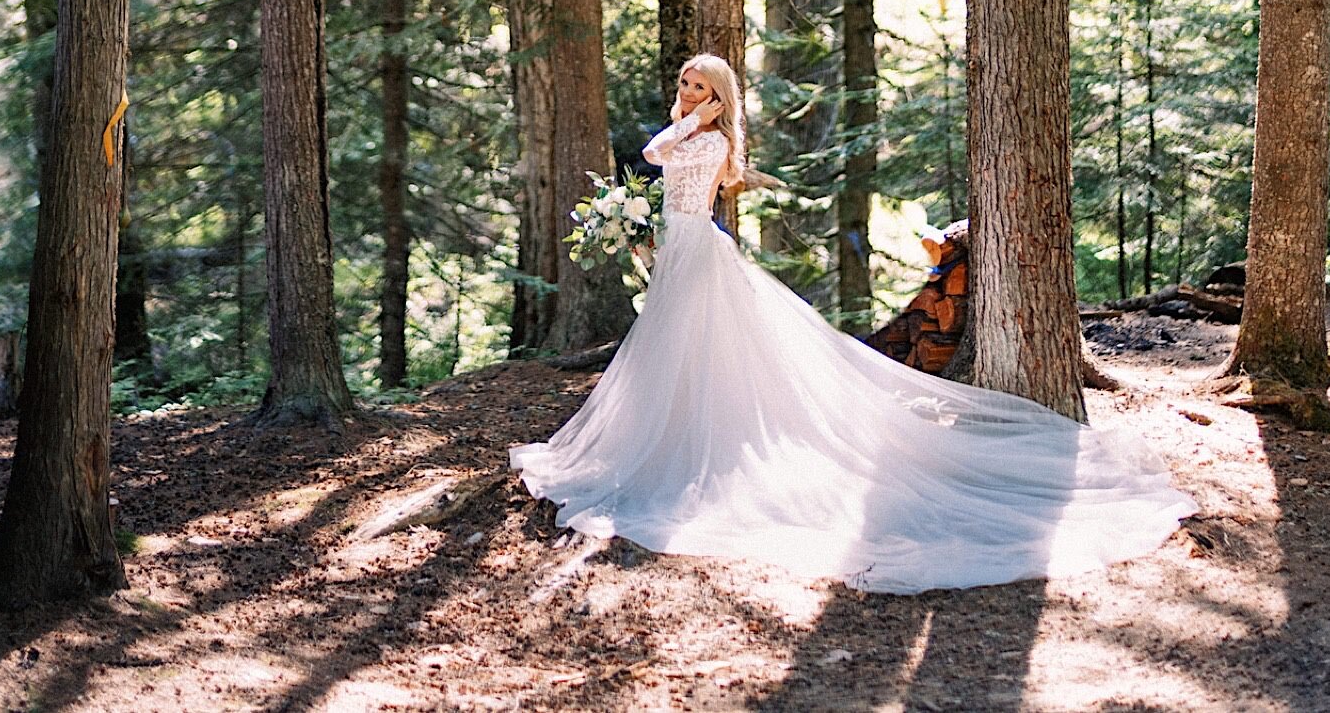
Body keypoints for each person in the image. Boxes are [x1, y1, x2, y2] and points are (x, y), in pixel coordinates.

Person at [511, 54, 1193, 592]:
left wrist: (700, 117)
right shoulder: (694, 128)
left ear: (718, 97)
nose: (688, 91)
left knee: (703, 343)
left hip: (697, 249)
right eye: (686, 83)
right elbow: (656, 156)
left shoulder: (711, 139)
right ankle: (671, 430)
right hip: (681, 249)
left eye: (700, 85)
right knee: (676, 348)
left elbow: (658, 154)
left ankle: (702, 441)